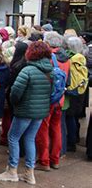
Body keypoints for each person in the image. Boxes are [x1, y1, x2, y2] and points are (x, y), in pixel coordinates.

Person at [0, 41, 52, 185]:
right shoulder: (50, 71)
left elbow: (15, 93)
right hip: (40, 111)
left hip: (24, 110)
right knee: (30, 139)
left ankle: (12, 170)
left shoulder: (27, 70)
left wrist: (15, 103)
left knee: (13, 137)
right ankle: (29, 173)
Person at [35, 32, 70, 170]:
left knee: (43, 129)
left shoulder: (48, 58)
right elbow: (68, 80)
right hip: (60, 98)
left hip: (47, 99)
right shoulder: (67, 59)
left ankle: (44, 161)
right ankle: (55, 159)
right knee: (56, 128)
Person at [64, 36, 89, 152]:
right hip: (80, 91)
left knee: (69, 117)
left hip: (71, 91)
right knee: (74, 117)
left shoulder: (71, 59)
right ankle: (75, 139)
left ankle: (71, 142)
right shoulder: (82, 58)